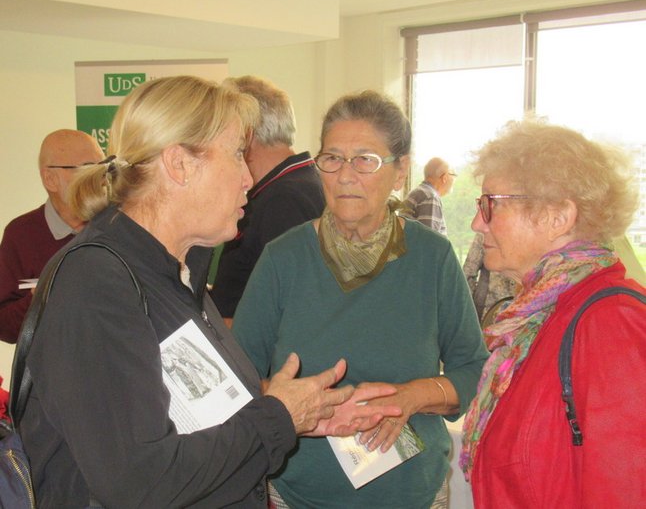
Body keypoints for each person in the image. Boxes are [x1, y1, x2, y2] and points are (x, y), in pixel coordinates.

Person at [18, 76, 401, 508]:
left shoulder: (176, 271)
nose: (248, 176)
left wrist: (303, 414)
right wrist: (278, 417)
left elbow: (197, 413)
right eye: (238, 153)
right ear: (180, 164)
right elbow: (139, 481)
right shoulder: (96, 283)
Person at [233, 90, 489, 508]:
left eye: (365, 160)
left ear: (400, 170)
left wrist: (411, 396)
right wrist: (303, 407)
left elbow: (475, 372)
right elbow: (237, 382)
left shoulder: (432, 258)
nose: (345, 176)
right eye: (332, 159)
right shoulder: (283, 258)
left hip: (413, 494)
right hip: (297, 494)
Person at [459, 118, 646, 508]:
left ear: (558, 217)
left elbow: (626, 490)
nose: (477, 222)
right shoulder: (535, 319)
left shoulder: (610, 323)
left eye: (490, 204)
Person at [209, 75, 325, 324]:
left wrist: (215, 328)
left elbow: (290, 313)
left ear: (247, 134)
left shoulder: (285, 200)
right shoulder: (295, 184)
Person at [0, 129, 104, 343]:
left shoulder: (120, 226)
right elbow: (5, 327)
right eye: (87, 169)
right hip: (51, 373)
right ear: (50, 178)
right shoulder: (21, 234)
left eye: (103, 167)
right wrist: (40, 296)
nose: (101, 179)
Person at [462, 232, 517, 325]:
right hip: (488, 312)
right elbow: (468, 274)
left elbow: (468, 274)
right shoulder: (486, 231)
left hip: (523, 312)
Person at [402, 156, 456, 236]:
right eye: (453, 174)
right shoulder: (430, 197)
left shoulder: (418, 193)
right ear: (445, 177)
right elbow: (429, 241)